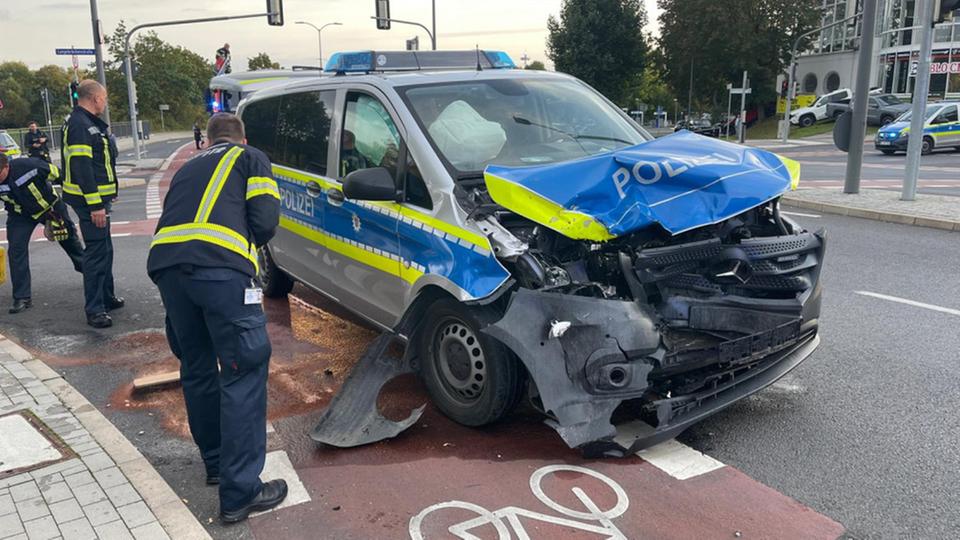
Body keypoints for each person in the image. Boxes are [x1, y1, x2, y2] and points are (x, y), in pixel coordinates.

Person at [147, 113, 285, 523]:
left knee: (197, 365)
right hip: (221, 273)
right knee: (244, 367)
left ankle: (215, 463)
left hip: (169, 271)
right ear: (242, 137)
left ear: (207, 140)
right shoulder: (251, 158)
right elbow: (264, 221)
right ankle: (241, 492)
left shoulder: (189, 165)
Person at [61, 80, 123, 329]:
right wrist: (96, 204)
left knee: (104, 249)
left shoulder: (86, 123)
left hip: (97, 199)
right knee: (96, 254)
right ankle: (95, 309)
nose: (105, 102)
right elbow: (82, 167)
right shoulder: (80, 125)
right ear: (95, 98)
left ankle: (106, 297)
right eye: (104, 98)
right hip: (90, 202)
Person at [0, 153, 83, 313]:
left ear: (7, 166)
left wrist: (77, 196)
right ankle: (22, 297)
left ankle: (91, 275)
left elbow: (60, 175)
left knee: (69, 241)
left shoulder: (30, 166)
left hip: (50, 210)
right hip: (20, 215)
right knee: (16, 251)